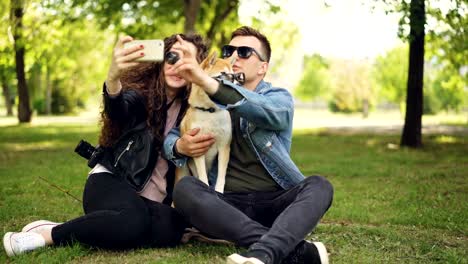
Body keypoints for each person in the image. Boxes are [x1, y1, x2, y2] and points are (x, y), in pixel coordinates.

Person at [3, 33, 208, 257]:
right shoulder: (142, 94)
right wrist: (112, 78)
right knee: (134, 221)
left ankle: (99, 226)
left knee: (173, 228)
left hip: (151, 201)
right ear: (160, 62)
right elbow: (119, 109)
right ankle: (47, 234)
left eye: (187, 59)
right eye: (171, 57)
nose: (177, 66)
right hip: (111, 182)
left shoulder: (196, 109)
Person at [163, 26, 334, 264]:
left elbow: (265, 111)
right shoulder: (207, 101)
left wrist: (210, 83)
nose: (233, 58)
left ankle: (262, 251)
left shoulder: (278, 97)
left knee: (320, 185)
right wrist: (180, 146)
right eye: (229, 50)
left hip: (276, 202)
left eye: (244, 52)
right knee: (184, 190)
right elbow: (173, 135)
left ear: (263, 67)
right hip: (226, 206)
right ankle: (289, 249)